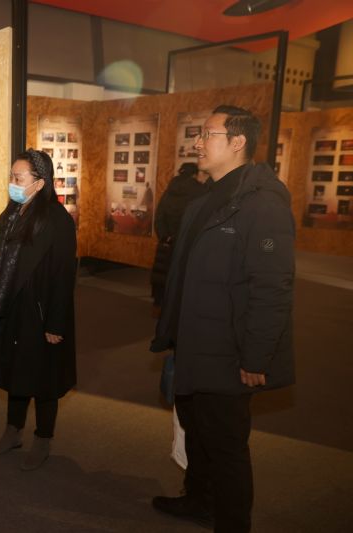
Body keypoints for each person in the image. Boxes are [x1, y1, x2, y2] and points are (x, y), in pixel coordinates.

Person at [150, 105, 295, 532]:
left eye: (207, 134)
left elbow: (272, 286)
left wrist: (256, 356)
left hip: (228, 351)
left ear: (237, 142)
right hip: (194, 341)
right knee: (196, 430)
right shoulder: (206, 198)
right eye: (198, 134)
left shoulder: (263, 205)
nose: (197, 142)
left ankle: (232, 523)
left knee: (226, 444)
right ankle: (199, 500)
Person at [0, 149, 76, 471]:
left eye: (19, 178)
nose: (12, 183)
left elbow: (63, 276)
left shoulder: (57, 220)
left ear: (40, 183)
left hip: (40, 313)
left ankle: (43, 438)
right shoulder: (12, 213)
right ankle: (12, 431)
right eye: (12, 177)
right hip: (12, 307)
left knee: (43, 379)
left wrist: (55, 324)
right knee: (16, 372)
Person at [150, 162, 207, 311]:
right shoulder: (200, 191)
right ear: (195, 174)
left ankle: (158, 306)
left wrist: (165, 236)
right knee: (182, 278)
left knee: (163, 273)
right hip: (187, 242)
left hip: (167, 241)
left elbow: (159, 217)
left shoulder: (170, 189)